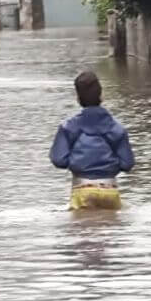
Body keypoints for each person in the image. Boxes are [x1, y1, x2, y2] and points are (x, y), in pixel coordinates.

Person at [50, 71, 135, 210]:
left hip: (81, 189)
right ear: (102, 96)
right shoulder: (117, 128)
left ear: (78, 98)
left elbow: (59, 160)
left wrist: (78, 163)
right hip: (110, 190)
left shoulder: (68, 127)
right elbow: (127, 164)